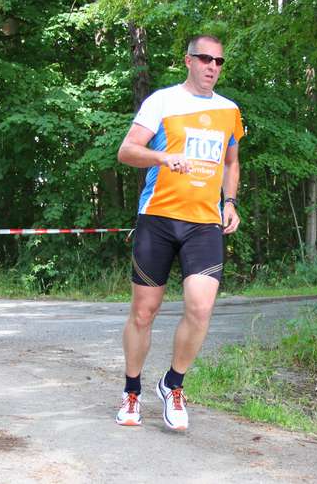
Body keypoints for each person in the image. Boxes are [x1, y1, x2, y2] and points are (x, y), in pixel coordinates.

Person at [114, 34, 244, 430]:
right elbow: (126, 151)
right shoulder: (162, 102)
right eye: (205, 58)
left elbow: (231, 162)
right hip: (158, 218)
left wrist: (230, 202)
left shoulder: (229, 110)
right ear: (188, 61)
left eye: (219, 61)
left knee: (201, 307)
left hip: (204, 223)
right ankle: (132, 392)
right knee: (144, 311)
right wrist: (162, 157)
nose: (212, 67)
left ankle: (173, 384)